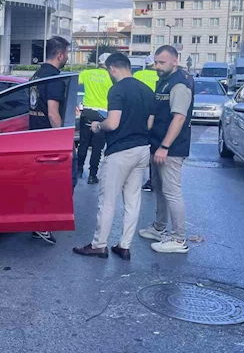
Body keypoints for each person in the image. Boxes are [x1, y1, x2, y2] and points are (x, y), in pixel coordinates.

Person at [73, 53, 153, 260]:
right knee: (133, 201)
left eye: (109, 71)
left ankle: (99, 245)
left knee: (107, 200)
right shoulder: (145, 89)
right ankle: (124, 246)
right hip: (143, 149)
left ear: (113, 69)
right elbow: (150, 123)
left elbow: (113, 123)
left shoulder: (117, 89)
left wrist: (98, 126)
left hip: (120, 151)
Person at [139, 45, 194, 254]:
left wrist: (164, 146)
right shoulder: (163, 81)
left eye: (161, 62)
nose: (157, 66)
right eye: (156, 62)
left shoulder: (179, 84)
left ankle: (179, 239)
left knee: (172, 192)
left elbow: (179, 117)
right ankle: (159, 227)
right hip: (157, 145)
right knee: (159, 189)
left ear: (175, 61)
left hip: (170, 148)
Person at [28, 36, 71, 245]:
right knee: (57, 182)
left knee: (40, 182)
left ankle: (38, 222)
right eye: (67, 54)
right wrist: (62, 140)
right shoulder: (54, 77)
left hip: (34, 136)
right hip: (48, 139)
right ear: (60, 54)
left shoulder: (37, 73)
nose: (67, 58)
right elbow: (53, 113)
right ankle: (43, 224)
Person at [77, 53, 113, 184]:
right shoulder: (111, 76)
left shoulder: (87, 73)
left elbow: (76, 83)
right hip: (102, 114)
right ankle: (92, 175)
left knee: (83, 143)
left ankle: (79, 169)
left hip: (87, 111)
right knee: (97, 147)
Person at [134, 55, 159, 191]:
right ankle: (153, 179)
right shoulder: (160, 76)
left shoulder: (138, 74)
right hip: (156, 114)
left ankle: (134, 177)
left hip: (140, 114)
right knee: (153, 147)